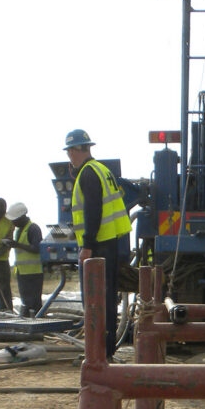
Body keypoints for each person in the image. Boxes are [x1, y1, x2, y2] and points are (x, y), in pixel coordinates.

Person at [64, 129, 131, 359]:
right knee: (107, 299)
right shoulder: (101, 170)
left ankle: (99, 353)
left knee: (95, 301)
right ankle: (106, 350)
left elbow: (94, 211)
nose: (69, 157)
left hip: (98, 246)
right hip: (110, 243)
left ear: (75, 150)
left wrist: (87, 245)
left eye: (69, 152)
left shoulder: (88, 174)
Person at [5, 202, 44, 318]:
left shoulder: (33, 228)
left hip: (34, 273)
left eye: (14, 220)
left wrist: (17, 245)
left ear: (22, 217)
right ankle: (28, 323)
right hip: (23, 272)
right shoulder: (19, 230)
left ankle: (37, 324)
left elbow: (36, 248)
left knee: (34, 303)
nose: (13, 222)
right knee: (26, 302)